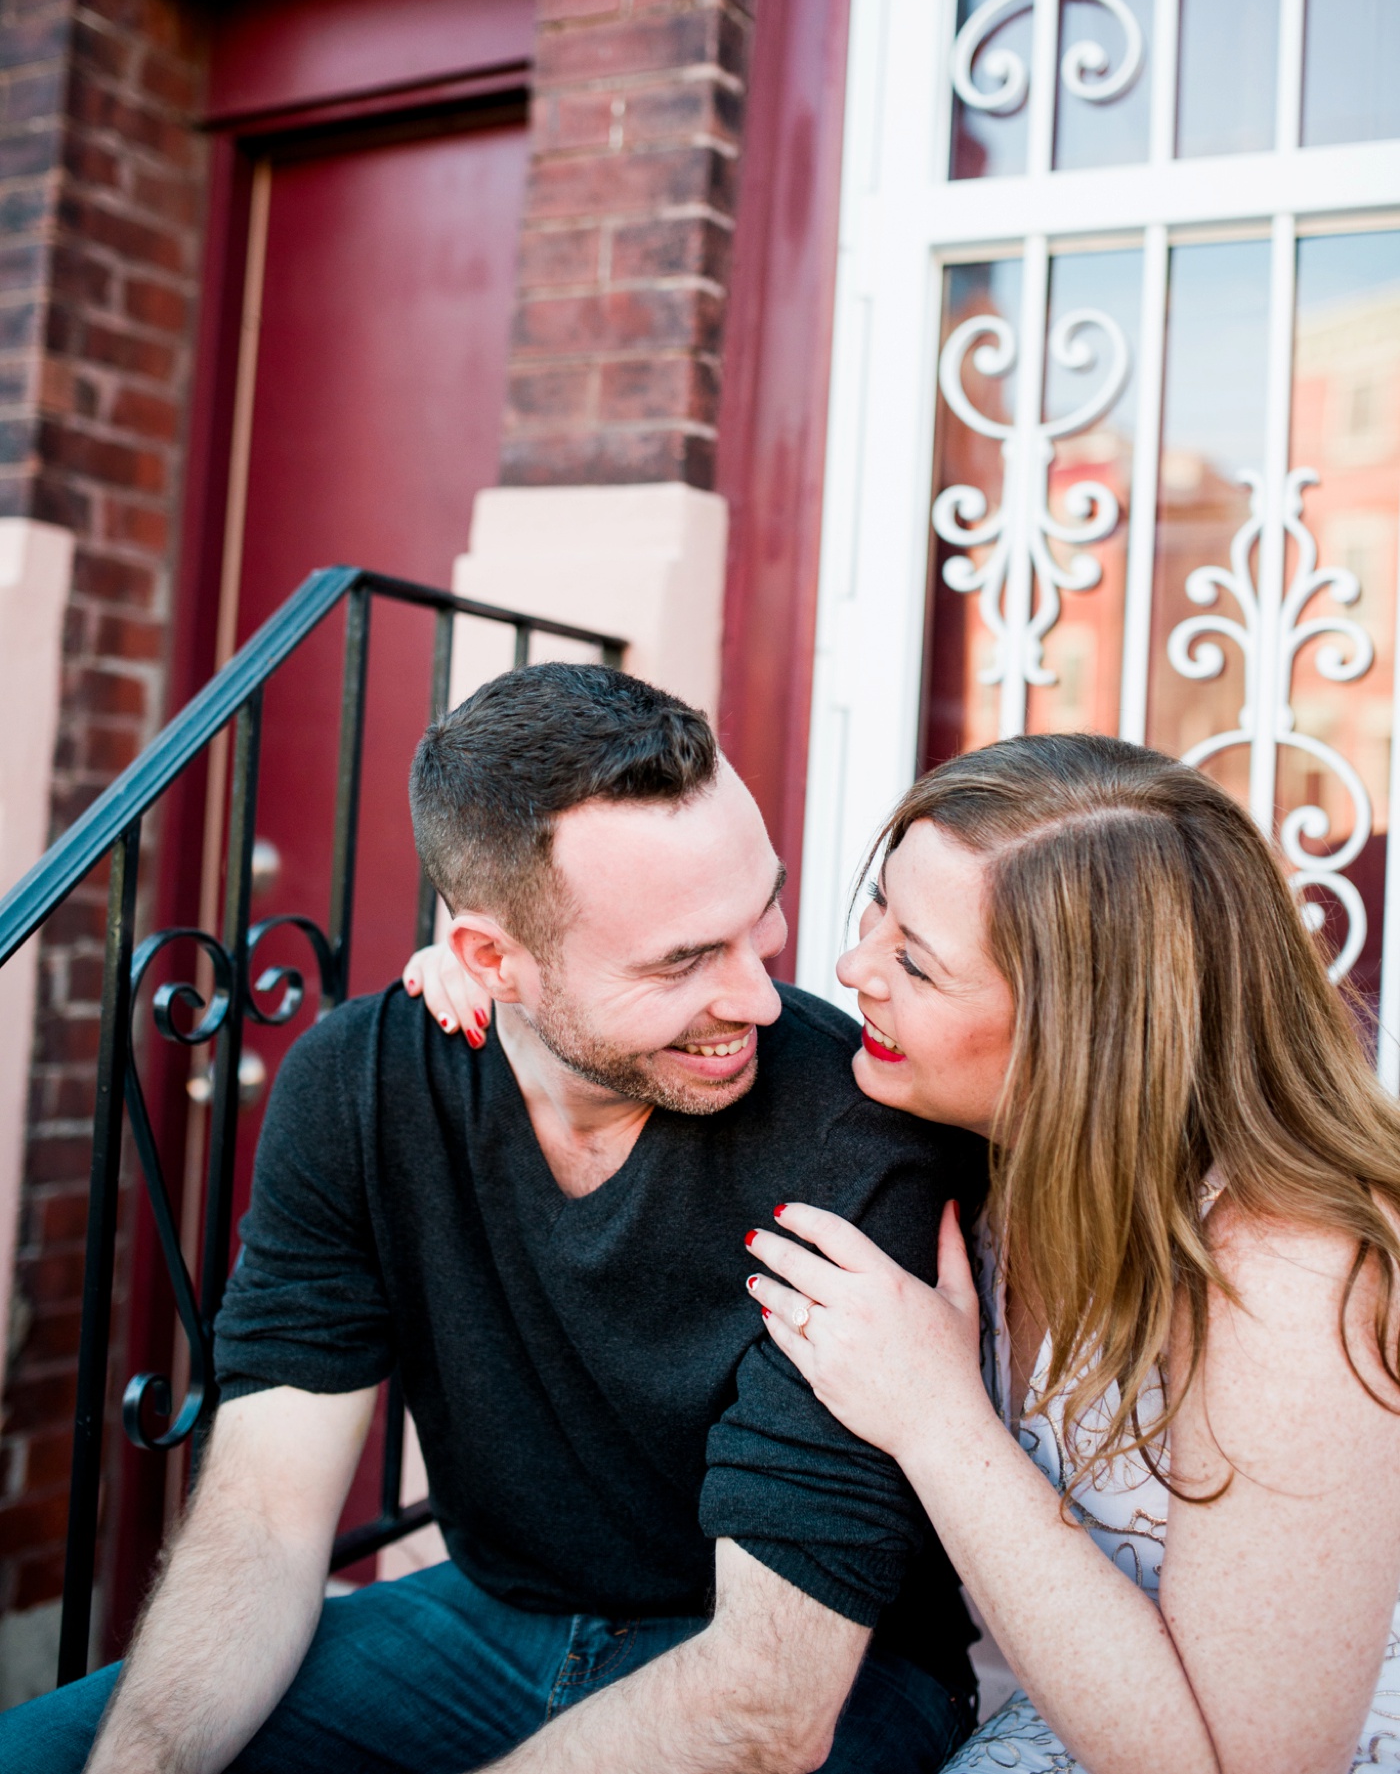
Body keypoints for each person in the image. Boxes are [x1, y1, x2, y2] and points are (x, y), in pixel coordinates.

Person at [4, 663, 984, 1774]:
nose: (759, 994)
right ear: (488, 960)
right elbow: (266, 1518)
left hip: (831, 1676)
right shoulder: (360, 1088)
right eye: (681, 960)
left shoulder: (855, 1129)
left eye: (757, 912)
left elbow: (766, 1702)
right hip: (492, 1623)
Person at [741, 733, 1400, 1774]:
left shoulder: (1288, 1266)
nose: (853, 964)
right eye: (880, 907)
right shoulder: (969, 1142)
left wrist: (933, 1416)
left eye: (914, 959)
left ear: (1079, 1040)